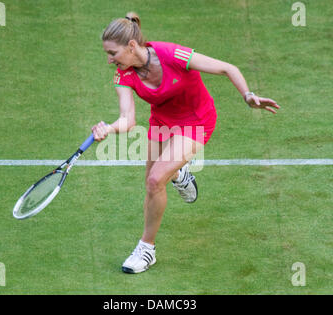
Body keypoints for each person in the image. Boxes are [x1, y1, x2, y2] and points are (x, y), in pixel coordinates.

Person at [91, 12, 279, 274]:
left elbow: (227, 68)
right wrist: (109, 128)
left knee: (156, 179)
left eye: (112, 53)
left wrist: (247, 95)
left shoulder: (172, 55)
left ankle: (146, 249)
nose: (110, 60)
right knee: (151, 184)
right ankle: (179, 173)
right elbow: (128, 119)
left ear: (131, 46)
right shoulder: (123, 75)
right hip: (162, 123)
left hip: (196, 120)